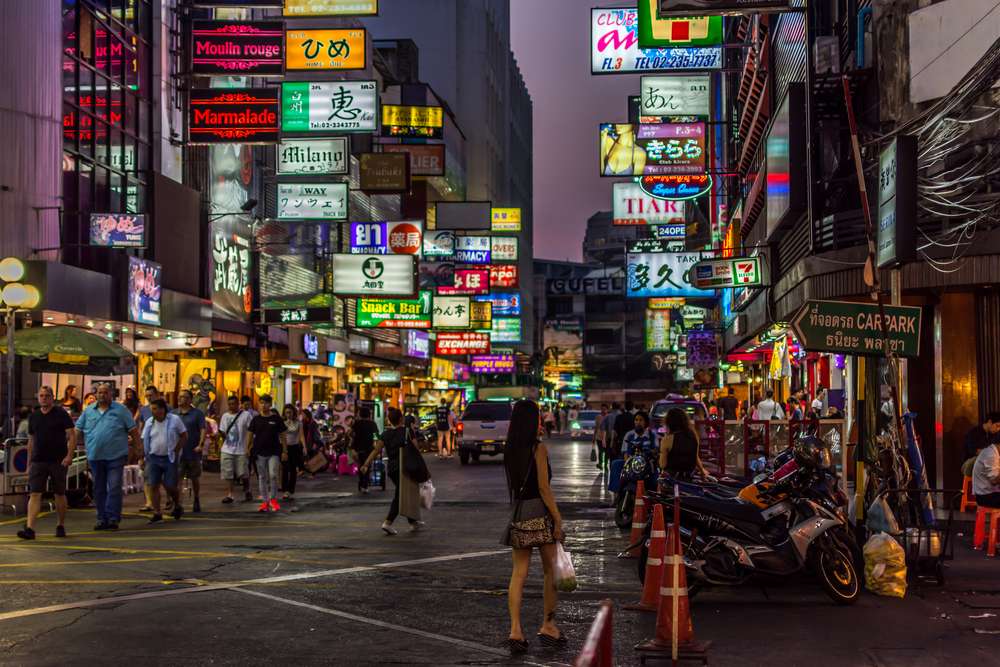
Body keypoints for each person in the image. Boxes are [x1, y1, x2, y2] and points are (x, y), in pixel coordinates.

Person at [501, 399, 565, 654]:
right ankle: (548, 625)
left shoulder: (509, 449)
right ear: (532, 420)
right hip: (539, 512)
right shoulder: (539, 448)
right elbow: (543, 488)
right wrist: (557, 518)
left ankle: (515, 630)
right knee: (551, 571)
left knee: (519, 573)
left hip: (519, 512)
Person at [75, 383, 138, 530]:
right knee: (99, 488)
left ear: (111, 394)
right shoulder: (88, 411)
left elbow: (133, 431)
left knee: (114, 486)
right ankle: (101, 518)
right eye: (99, 392)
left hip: (116, 456)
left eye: (105, 392)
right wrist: (69, 448)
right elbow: (77, 430)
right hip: (95, 456)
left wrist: (138, 448)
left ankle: (113, 517)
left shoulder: (121, 410)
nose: (102, 395)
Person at [17, 386, 76, 540]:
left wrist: (69, 456)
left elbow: (72, 435)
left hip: (58, 460)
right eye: (41, 396)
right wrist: (29, 463)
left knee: (59, 493)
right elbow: (31, 440)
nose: (44, 398)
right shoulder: (34, 416)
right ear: (38, 398)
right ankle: (30, 528)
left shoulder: (61, 414)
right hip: (39, 460)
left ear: (52, 397)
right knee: (35, 493)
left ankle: (60, 525)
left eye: (47, 396)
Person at [360, 407, 422, 534]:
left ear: (389, 420)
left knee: (404, 492)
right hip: (406, 467)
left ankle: (413, 522)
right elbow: (416, 448)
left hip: (392, 469)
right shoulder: (407, 431)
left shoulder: (385, 434)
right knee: (400, 495)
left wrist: (366, 464)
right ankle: (388, 522)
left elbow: (376, 450)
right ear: (401, 419)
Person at [141, 398, 187, 524]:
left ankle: (177, 504)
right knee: (153, 485)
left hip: (169, 457)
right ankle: (157, 512)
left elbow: (184, 435)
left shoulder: (174, 420)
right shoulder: (149, 422)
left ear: (162, 409)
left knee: (170, 485)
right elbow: (144, 439)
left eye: (155, 409)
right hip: (153, 457)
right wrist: (142, 457)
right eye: (152, 409)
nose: (153, 412)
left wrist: (177, 450)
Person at [248, 394, 285, 513]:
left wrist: (285, 451)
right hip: (259, 452)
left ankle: (273, 499)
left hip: (274, 451)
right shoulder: (256, 419)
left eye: (266, 403)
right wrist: (247, 448)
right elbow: (250, 434)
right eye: (261, 403)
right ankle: (265, 501)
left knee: (273, 475)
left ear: (270, 404)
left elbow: (283, 435)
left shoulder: (276, 419)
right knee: (262, 477)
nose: (263, 405)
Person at [174, 389, 206, 513]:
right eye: (179, 396)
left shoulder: (197, 414)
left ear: (190, 399)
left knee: (194, 478)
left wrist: (200, 444)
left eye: (183, 397)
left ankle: (196, 498)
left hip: (193, 451)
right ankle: (178, 504)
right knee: (178, 479)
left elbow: (202, 429)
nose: (180, 398)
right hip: (178, 452)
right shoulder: (173, 414)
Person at [218, 395, 253, 504]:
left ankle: (247, 490)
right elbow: (222, 431)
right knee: (228, 473)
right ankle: (230, 494)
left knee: (243, 473)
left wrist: (248, 446)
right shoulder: (225, 416)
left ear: (238, 404)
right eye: (229, 404)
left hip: (241, 449)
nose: (231, 406)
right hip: (227, 449)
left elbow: (251, 431)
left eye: (233, 404)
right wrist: (221, 438)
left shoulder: (246, 415)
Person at [659, 407, 710, 481]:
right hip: (689, 478)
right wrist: (702, 471)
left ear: (668, 422)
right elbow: (695, 457)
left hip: (673, 480)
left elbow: (663, 464)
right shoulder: (693, 436)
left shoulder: (667, 439)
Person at [137, 385, 161, 513]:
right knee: (147, 475)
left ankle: (169, 499)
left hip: (162, 448)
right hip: (149, 447)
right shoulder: (144, 410)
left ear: (157, 394)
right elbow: (141, 428)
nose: (149, 398)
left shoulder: (167, 409)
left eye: (151, 395)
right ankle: (149, 502)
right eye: (146, 396)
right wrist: (140, 447)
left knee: (164, 479)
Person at [350, 406, 380, 494]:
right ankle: (365, 485)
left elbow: (351, 434)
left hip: (357, 448)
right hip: (369, 448)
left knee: (360, 465)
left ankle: (362, 482)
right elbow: (376, 436)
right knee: (367, 466)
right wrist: (376, 443)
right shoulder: (372, 424)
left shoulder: (356, 423)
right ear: (369, 414)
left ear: (360, 414)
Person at [280, 404, 304, 501]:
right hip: (284, 448)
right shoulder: (282, 423)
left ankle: (291, 490)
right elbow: (279, 436)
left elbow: (301, 435)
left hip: (295, 447)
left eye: (290, 412)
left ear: (294, 412)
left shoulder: (298, 423)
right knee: (285, 468)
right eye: (286, 413)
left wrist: (304, 447)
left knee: (293, 470)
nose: (288, 414)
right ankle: (285, 490)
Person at [972, 438, 1000, 508]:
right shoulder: (991, 455)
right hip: (985, 497)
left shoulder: (992, 452)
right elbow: (994, 481)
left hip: (991, 493)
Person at [593, 405, 609, 470]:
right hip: (599, 437)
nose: (603, 410)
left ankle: (605, 464)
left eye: (604, 409)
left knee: (607, 452)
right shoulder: (598, 417)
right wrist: (594, 437)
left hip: (607, 437)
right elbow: (596, 427)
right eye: (602, 409)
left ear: (607, 410)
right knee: (600, 451)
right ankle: (600, 463)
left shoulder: (609, 417)